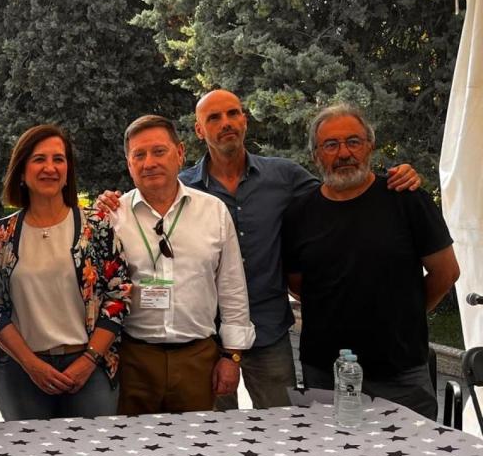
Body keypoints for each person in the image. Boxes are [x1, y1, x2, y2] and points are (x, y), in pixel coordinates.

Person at [100, 89, 420, 410]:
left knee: (281, 429)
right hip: (207, 340)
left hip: (269, 332)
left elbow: (339, 191)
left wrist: (391, 178)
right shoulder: (179, 188)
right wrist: (106, 203)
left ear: (244, 120)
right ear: (199, 130)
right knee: (215, 435)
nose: (225, 123)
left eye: (232, 114)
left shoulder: (284, 176)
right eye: (213, 118)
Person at [284, 104, 459, 419]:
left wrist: (406, 316)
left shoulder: (406, 198)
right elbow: (298, 286)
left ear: (370, 147)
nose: (344, 153)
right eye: (331, 145)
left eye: (353, 142)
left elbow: (445, 272)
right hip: (325, 373)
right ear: (316, 155)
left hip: (401, 373)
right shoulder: (299, 213)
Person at [109, 115, 255, 415]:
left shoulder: (213, 211)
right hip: (133, 359)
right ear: (129, 164)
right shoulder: (113, 216)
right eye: (139, 155)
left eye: (159, 151)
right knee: (135, 452)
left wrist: (232, 356)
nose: (149, 162)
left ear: (180, 153)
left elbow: (232, 287)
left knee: (197, 451)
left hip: (198, 359)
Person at [0, 125, 131, 420]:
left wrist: (89, 360)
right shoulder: (0, 236)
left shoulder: (98, 227)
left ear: (68, 171)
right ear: (22, 171)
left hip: (90, 366)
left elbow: (118, 297)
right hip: (20, 370)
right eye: (39, 159)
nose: (50, 168)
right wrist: (31, 364)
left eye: (59, 159)